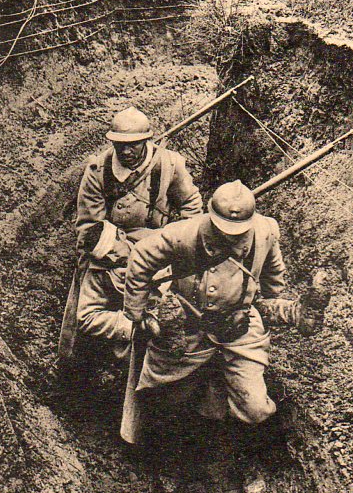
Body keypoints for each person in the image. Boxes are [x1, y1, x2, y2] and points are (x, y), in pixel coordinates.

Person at [119, 179, 328, 445]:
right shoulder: (184, 234)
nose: (231, 236)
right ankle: (169, 445)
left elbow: (273, 278)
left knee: (255, 409)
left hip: (238, 325)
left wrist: (269, 302)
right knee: (161, 395)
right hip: (187, 326)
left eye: (238, 231)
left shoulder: (264, 232)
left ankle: (225, 445)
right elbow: (140, 258)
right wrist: (138, 313)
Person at [58, 106, 203, 361]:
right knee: (84, 311)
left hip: (158, 244)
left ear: (147, 140)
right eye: (120, 145)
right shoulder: (98, 170)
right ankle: (83, 365)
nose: (126, 151)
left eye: (134, 144)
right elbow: (90, 225)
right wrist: (114, 251)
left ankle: (180, 350)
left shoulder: (168, 165)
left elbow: (191, 207)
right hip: (111, 244)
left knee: (186, 295)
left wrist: (180, 243)